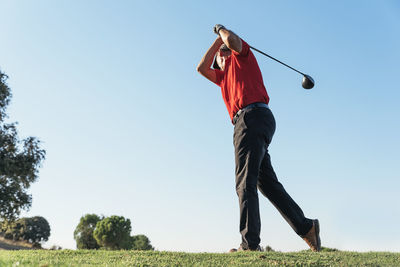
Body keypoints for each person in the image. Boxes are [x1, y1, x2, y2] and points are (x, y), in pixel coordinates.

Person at [196, 24, 321, 252]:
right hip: (254, 120)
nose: (219, 60)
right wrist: (217, 43)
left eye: (221, 55)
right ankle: (306, 227)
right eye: (218, 58)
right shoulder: (223, 78)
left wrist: (222, 31)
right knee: (267, 184)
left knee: (244, 182)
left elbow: (233, 41)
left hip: (251, 117)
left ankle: (249, 245)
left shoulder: (241, 56)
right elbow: (201, 68)